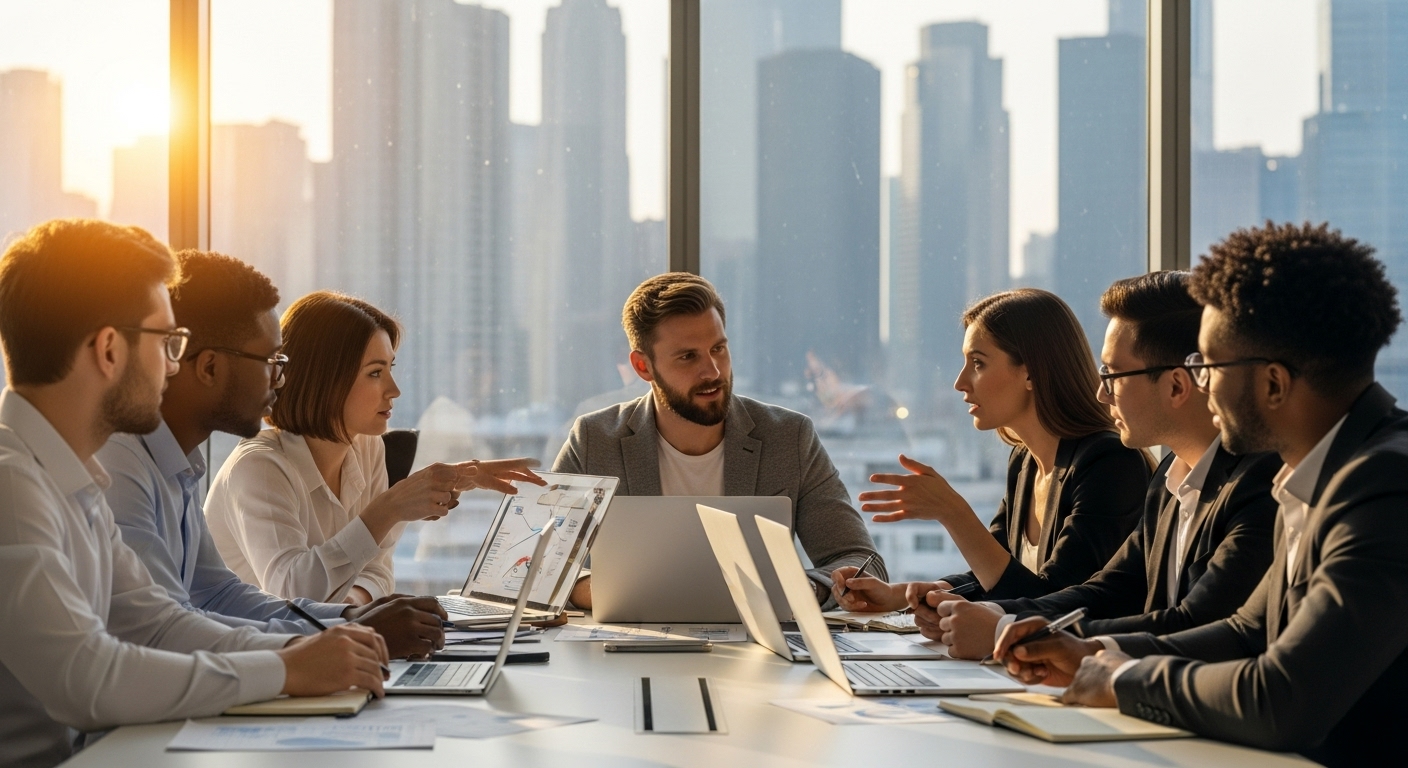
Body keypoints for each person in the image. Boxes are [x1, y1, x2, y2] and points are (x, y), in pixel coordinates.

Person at [996, 222, 1408, 768]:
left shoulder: (1384, 486)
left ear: (1274, 384)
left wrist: (1123, 677)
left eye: (1207, 365)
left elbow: (1284, 697)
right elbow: (1247, 631)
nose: (1200, 384)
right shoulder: (1314, 474)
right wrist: (1089, 652)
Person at [0, 220, 388, 768]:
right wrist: (287, 669)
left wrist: (316, 650)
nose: (175, 364)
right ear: (110, 350)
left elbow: (160, 623)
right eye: (168, 342)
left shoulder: (72, 480)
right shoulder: (11, 486)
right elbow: (86, 678)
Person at [97, 251, 448, 657]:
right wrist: (327, 642)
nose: (281, 379)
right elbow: (160, 630)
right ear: (209, 368)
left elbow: (218, 594)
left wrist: (349, 622)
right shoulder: (121, 466)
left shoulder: (181, 465)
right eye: (271, 362)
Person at [920, 273, 1279, 659]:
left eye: (1113, 374)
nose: (1101, 392)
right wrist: (991, 614)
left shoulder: (1260, 484)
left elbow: (1197, 624)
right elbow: (1108, 591)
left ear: (1177, 386)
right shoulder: (1170, 479)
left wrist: (1009, 631)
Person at [831, 289, 1151, 638]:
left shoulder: (1110, 464)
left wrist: (953, 512)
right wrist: (902, 595)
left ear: (1031, 372)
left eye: (978, 363)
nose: (960, 383)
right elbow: (997, 573)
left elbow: (1048, 604)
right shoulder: (1025, 461)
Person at [554, 273, 882, 608]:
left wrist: (801, 590)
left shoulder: (789, 438)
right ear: (643, 367)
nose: (712, 371)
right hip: (628, 650)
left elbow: (862, 563)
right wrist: (607, 591)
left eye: (718, 349)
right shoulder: (594, 441)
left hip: (759, 652)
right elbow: (531, 567)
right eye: (688, 357)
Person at [205, 290, 543, 604]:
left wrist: (352, 610)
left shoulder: (368, 449)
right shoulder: (258, 468)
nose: (394, 389)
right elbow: (293, 592)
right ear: (325, 380)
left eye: (389, 369)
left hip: (325, 647)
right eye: (375, 373)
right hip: (252, 658)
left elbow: (378, 571)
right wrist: (388, 509)